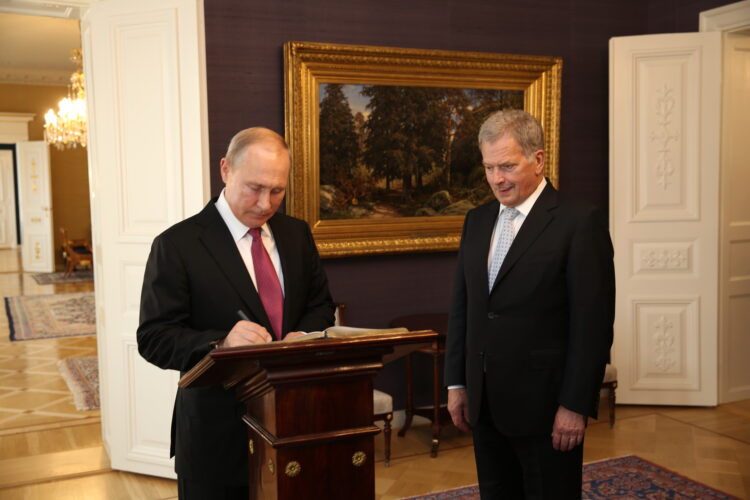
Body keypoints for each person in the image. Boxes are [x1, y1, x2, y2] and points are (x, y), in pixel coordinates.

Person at [137, 127, 336, 499]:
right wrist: (222, 342)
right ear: (226, 170)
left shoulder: (296, 234)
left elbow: (320, 305)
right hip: (216, 438)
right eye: (254, 188)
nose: (265, 203)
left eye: (277, 190)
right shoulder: (177, 245)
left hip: (294, 424)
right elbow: (153, 337)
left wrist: (304, 335)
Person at [444, 110, 615, 499]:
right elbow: (464, 308)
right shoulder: (476, 220)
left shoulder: (579, 222)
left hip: (546, 408)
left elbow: (593, 326)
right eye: (489, 168)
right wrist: (457, 382)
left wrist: (574, 405)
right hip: (485, 403)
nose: (496, 179)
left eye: (507, 166)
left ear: (538, 160)